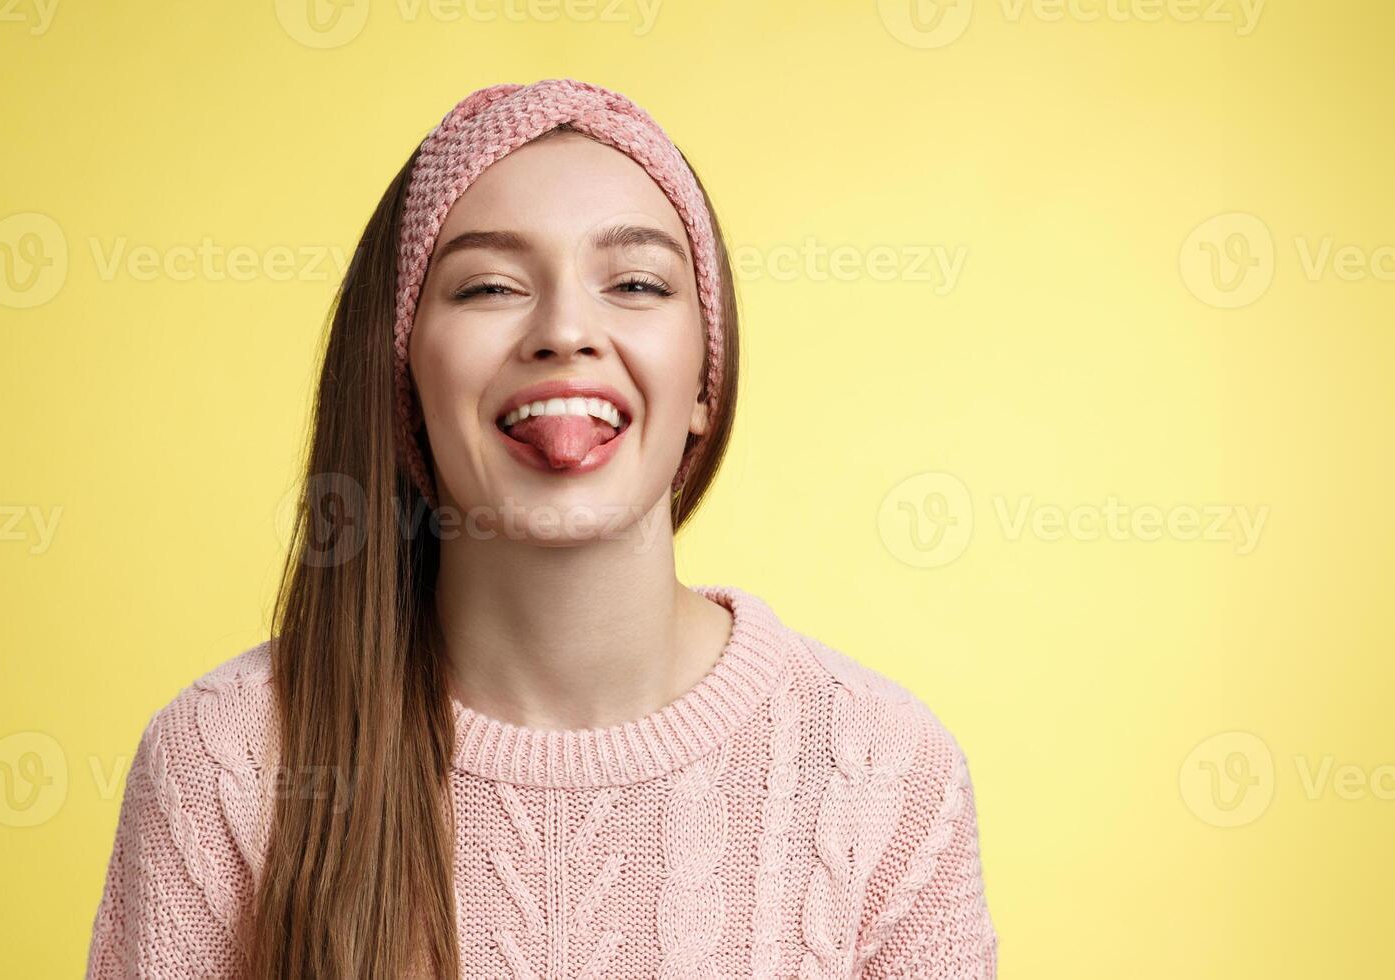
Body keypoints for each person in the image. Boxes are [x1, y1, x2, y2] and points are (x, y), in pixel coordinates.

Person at [86, 78, 996, 979]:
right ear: (404, 377)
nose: (565, 330)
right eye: (488, 287)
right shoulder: (223, 762)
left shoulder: (883, 771)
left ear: (704, 383)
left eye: (635, 283)